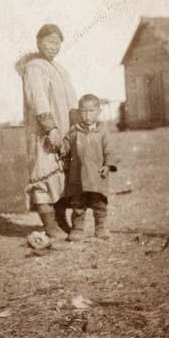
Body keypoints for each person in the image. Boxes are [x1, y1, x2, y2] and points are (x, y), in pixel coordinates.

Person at [16, 24, 78, 239]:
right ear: (38, 42)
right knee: (43, 175)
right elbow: (39, 99)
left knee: (61, 177)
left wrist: (74, 129)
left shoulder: (60, 69)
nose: (53, 47)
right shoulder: (34, 67)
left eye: (57, 43)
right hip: (44, 133)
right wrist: (50, 128)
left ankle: (60, 221)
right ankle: (50, 225)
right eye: (49, 42)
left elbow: (71, 101)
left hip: (63, 131)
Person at [63, 93, 118, 241]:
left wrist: (107, 165)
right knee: (78, 205)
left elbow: (110, 151)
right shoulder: (73, 132)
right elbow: (65, 149)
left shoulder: (102, 132)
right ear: (79, 112)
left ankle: (100, 228)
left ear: (99, 112)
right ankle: (77, 229)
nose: (87, 115)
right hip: (78, 176)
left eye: (91, 111)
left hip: (97, 176)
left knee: (99, 204)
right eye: (83, 111)